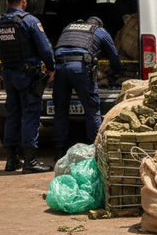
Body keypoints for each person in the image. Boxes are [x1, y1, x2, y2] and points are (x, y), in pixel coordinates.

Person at [0, 0, 55, 173]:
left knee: (12, 114)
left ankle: (11, 161)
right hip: (27, 75)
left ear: (7, 2)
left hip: (8, 75)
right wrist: (51, 69)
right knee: (30, 115)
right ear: (24, 2)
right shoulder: (29, 21)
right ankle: (30, 162)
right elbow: (45, 49)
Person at [52, 16, 122, 161]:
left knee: (60, 110)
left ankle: (59, 151)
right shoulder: (99, 31)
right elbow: (114, 56)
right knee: (92, 109)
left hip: (58, 67)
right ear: (100, 25)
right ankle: (95, 149)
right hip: (79, 68)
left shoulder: (69, 26)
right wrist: (116, 73)